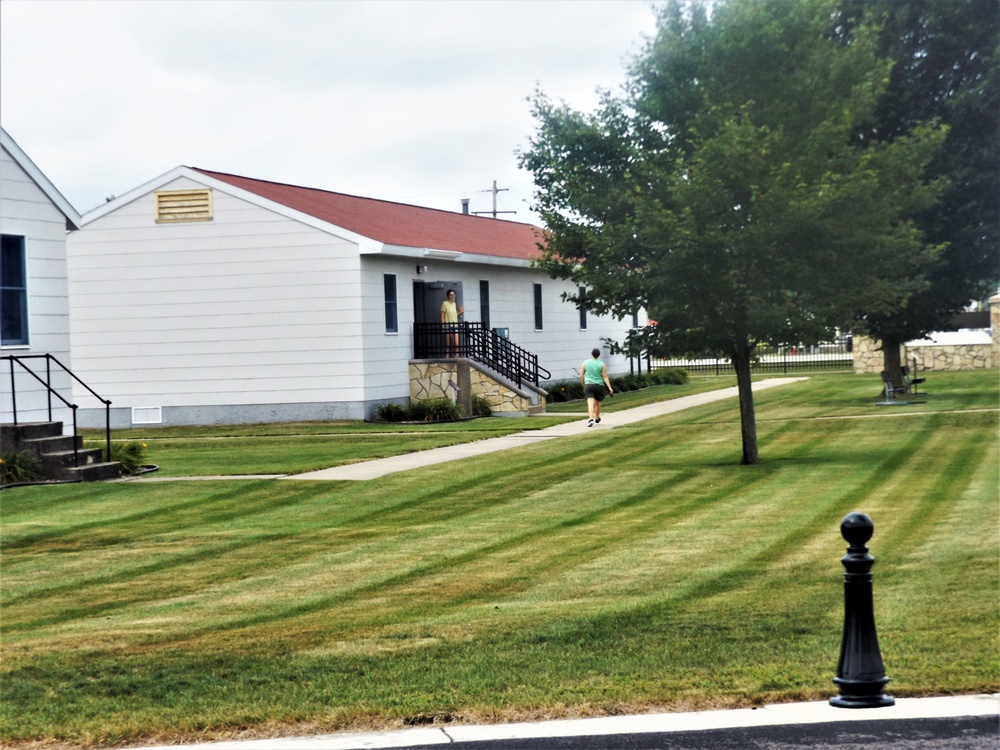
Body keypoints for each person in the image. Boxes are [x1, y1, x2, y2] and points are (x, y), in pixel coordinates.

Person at [579, 347, 613, 427]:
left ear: (591, 354)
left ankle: (591, 419)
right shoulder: (602, 364)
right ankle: (597, 418)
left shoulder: (585, 363)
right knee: (597, 403)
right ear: (598, 355)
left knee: (590, 402)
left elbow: (581, 375)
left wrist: (582, 384)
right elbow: (605, 377)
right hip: (599, 385)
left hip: (588, 385)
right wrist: (610, 387)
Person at [440, 289, 464, 357]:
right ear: (448, 296)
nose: (452, 296)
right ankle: (447, 356)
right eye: (451, 295)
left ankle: (456, 355)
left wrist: (460, 312)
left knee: (456, 343)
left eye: (453, 295)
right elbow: (442, 316)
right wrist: (443, 326)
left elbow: (453, 315)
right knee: (447, 343)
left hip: (455, 325)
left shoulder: (454, 304)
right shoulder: (445, 303)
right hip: (448, 324)